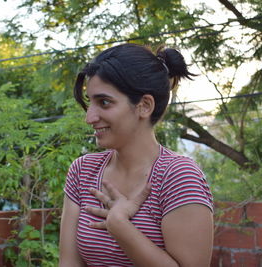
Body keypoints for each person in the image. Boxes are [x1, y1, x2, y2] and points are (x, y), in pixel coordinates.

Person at [59, 43, 213, 267]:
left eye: (104, 102)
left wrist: (121, 227)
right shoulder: (83, 171)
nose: (90, 117)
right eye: (89, 102)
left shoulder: (178, 176)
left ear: (144, 106)